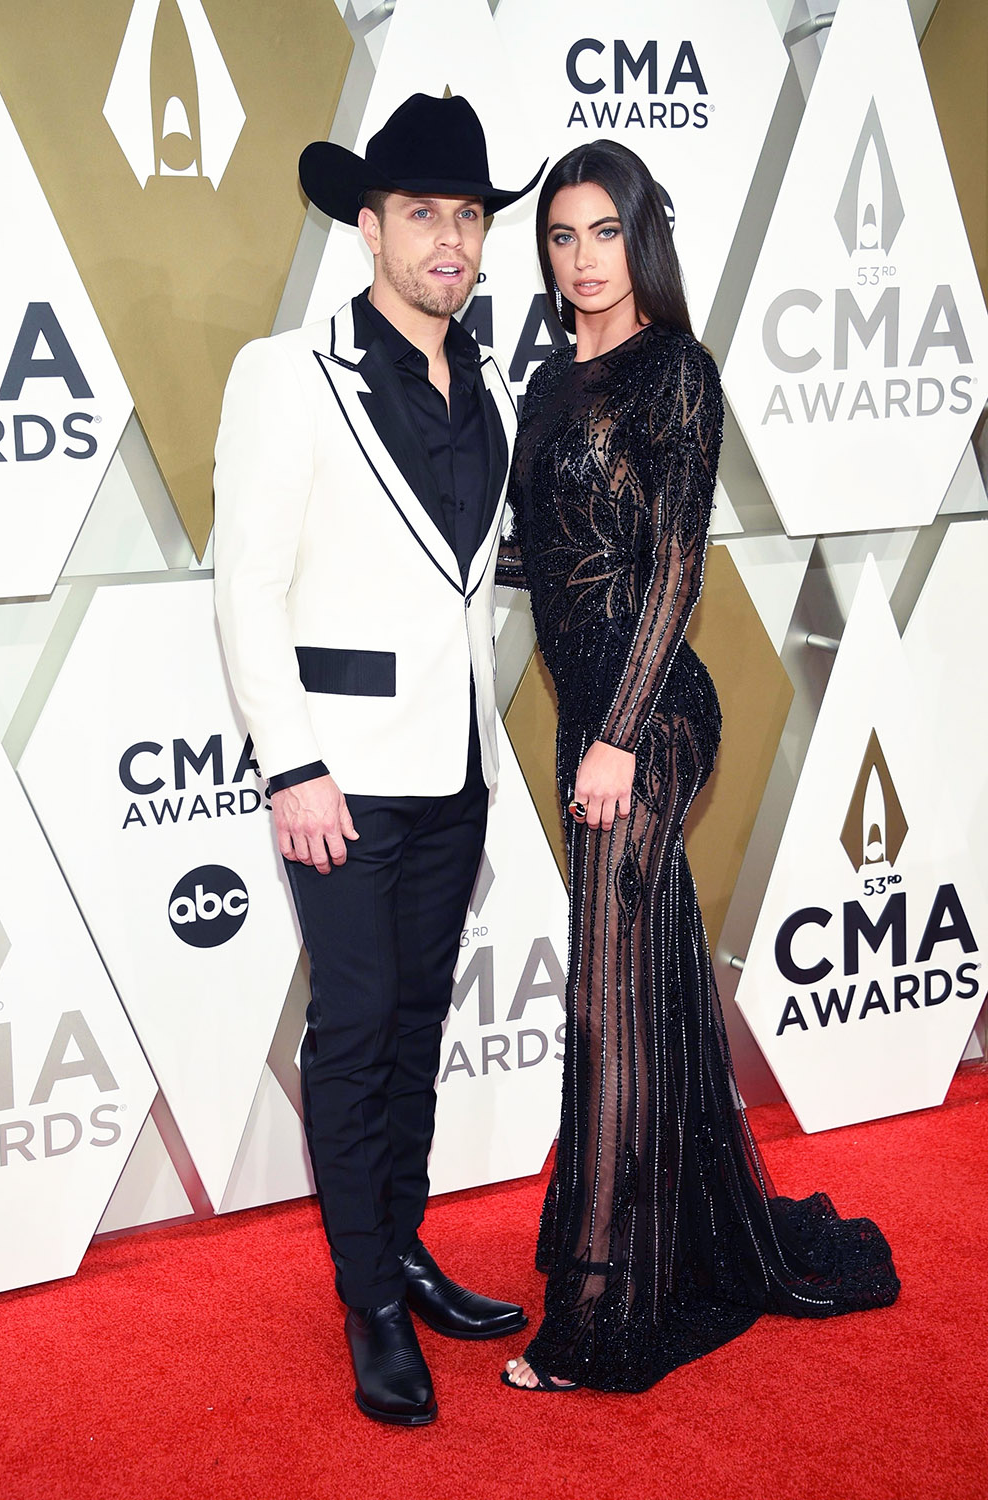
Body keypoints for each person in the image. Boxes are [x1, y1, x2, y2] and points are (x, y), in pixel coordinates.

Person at [496, 139, 900, 1394]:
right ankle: (666, 1238)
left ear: (641, 241)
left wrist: (619, 736)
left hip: (653, 715)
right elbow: (533, 565)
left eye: (602, 234)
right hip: (583, 725)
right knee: (638, 977)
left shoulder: (677, 369)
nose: (580, 261)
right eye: (560, 238)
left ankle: (603, 1319)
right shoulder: (547, 386)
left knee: (605, 1001)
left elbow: (676, 565)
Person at [213, 94, 544, 1427]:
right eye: (423, 213)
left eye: (467, 216)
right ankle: (365, 1296)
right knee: (352, 1029)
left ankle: (399, 1244)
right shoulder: (284, 374)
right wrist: (292, 766)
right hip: (337, 778)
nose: (449, 240)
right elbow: (248, 590)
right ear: (370, 225)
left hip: (453, 772)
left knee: (414, 1023)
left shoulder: (496, 393)